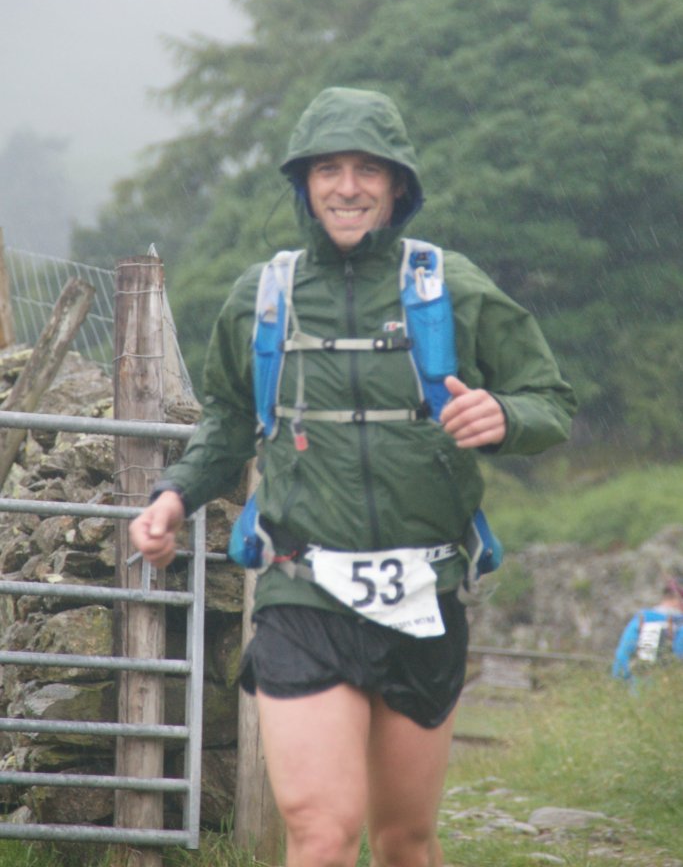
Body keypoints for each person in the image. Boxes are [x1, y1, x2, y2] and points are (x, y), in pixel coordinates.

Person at [130, 87, 577, 867]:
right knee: (322, 832)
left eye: (367, 169)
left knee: (404, 841)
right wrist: (173, 495)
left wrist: (505, 414)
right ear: (303, 183)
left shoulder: (449, 285)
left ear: (397, 184)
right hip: (302, 593)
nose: (347, 187)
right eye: (327, 169)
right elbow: (228, 422)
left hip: (423, 591)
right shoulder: (262, 296)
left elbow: (551, 401)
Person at [612, 577, 683, 684]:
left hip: (637, 690)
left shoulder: (641, 620)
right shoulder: (679, 626)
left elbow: (621, 661)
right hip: (669, 689)